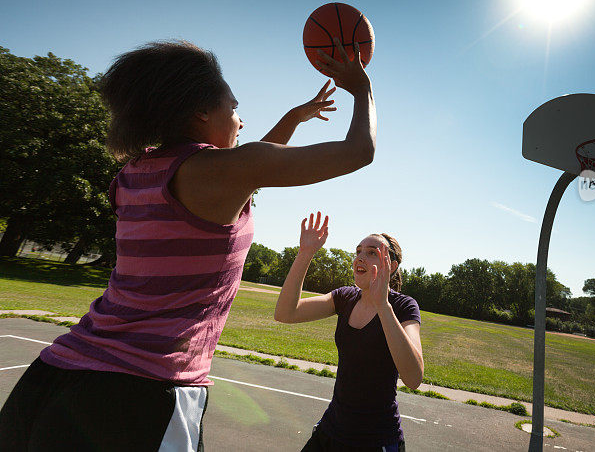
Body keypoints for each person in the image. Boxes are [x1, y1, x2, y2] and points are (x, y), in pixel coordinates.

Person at [0, 38, 375, 451]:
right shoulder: (213, 173)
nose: (240, 121)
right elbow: (359, 151)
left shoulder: (137, 171)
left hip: (51, 376)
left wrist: (294, 117)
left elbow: (247, 168)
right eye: (233, 109)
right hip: (137, 393)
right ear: (200, 113)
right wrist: (362, 89)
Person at [274, 212, 423, 452]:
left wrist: (383, 306)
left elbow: (414, 378)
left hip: (376, 441)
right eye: (358, 251)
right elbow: (285, 313)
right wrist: (306, 253)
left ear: (392, 266)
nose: (360, 258)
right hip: (331, 430)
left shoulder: (403, 306)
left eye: (372, 252)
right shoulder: (345, 297)